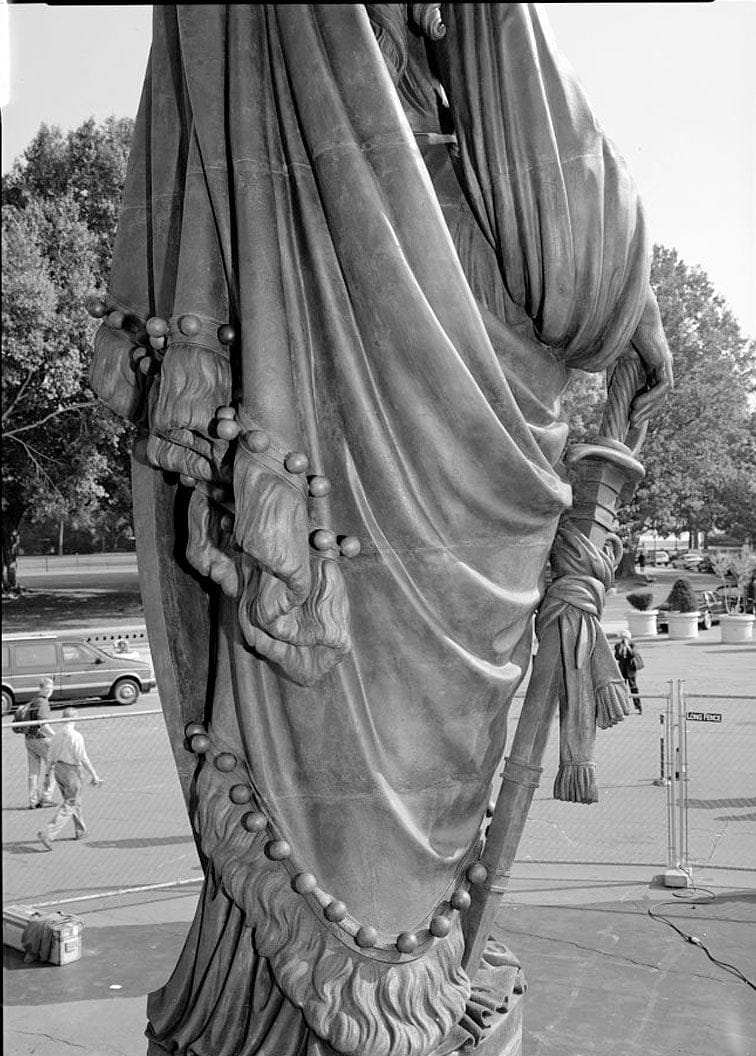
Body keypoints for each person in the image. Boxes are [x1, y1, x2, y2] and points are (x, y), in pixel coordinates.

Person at [87, 7, 673, 1054]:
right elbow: (568, 228)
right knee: (351, 747)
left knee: (294, 690)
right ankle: (375, 1004)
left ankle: (285, 1009)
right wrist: (624, 282)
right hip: (424, 295)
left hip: (286, 331)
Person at [38, 707, 102, 850]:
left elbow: (50, 757)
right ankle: (48, 833)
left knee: (74, 801)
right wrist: (94, 775)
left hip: (58, 769)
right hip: (72, 771)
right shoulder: (76, 736)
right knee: (70, 803)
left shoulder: (57, 735)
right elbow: (83, 758)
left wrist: (47, 775)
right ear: (75, 717)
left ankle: (81, 830)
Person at [23, 677, 56, 809]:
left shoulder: (34, 700)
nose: (49, 691)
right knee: (52, 766)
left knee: (33, 771)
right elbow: (43, 724)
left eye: (50, 688)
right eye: (46, 688)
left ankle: (33, 800)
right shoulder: (43, 703)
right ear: (41, 688)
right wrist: (55, 736)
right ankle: (46, 798)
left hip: (29, 739)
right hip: (40, 739)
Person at [614, 630, 644, 714]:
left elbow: (632, 655)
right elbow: (617, 657)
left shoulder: (632, 645)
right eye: (622, 638)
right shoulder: (617, 646)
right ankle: (624, 707)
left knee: (633, 688)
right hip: (622, 669)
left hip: (631, 669)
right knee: (622, 688)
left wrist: (627, 647)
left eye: (625, 638)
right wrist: (621, 649)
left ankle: (638, 706)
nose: (624, 640)